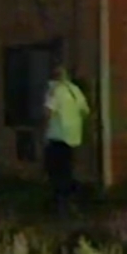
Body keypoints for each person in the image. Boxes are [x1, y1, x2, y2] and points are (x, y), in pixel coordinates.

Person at [43, 64, 90, 215]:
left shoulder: (55, 91)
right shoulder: (75, 90)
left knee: (55, 172)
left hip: (57, 136)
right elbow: (85, 111)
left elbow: (48, 112)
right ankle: (72, 199)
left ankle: (62, 203)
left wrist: (44, 133)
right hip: (73, 137)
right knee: (67, 169)